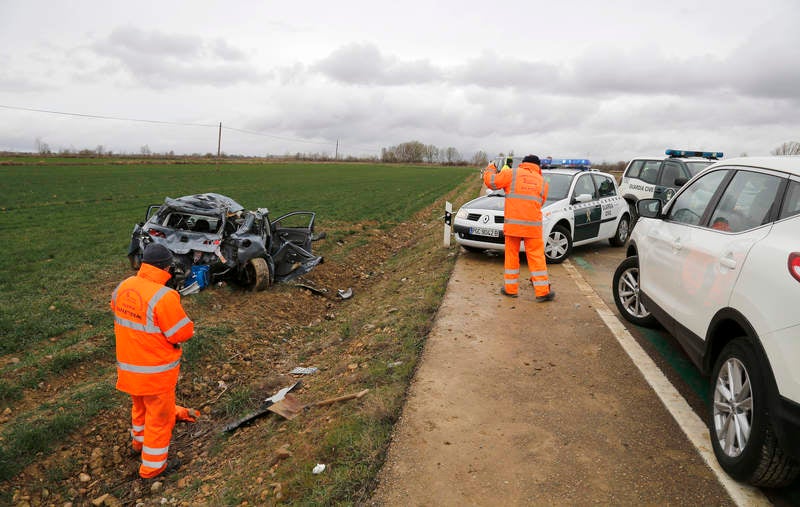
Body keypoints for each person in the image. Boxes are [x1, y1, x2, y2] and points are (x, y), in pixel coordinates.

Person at [110, 243, 198, 480]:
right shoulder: (165, 296)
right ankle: (153, 468)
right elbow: (181, 334)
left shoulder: (124, 286)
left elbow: (120, 311)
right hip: (155, 373)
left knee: (139, 407)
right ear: (167, 267)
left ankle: (138, 444)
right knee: (160, 419)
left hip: (129, 369)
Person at [483, 154, 555, 302]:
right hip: (533, 227)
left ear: (523, 164)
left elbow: (491, 182)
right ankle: (542, 292)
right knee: (537, 258)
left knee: (511, 256)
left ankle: (510, 290)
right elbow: (540, 202)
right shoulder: (542, 182)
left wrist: (490, 168)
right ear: (538, 166)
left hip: (513, 226)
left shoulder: (512, 173)